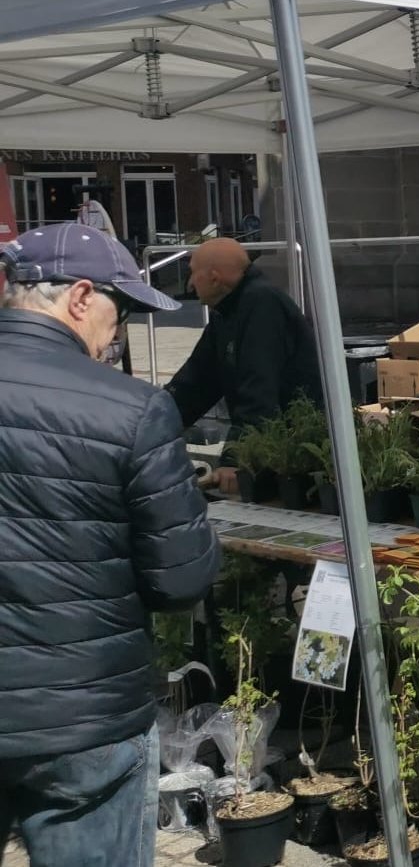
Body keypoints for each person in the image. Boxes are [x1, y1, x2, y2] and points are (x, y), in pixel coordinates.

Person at [0, 224, 221, 866]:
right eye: (117, 313)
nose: (114, 333)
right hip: (84, 715)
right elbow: (180, 582)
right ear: (80, 298)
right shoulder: (131, 410)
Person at [164, 237, 323, 495]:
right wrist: (153, 421)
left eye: (193, 272)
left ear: (214, 278)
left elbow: (260, 390)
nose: (191, 282)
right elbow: (196, 382)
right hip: (275, 444)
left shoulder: (262, 304)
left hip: (295, 450)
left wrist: (235, 460)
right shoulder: (227, 312)